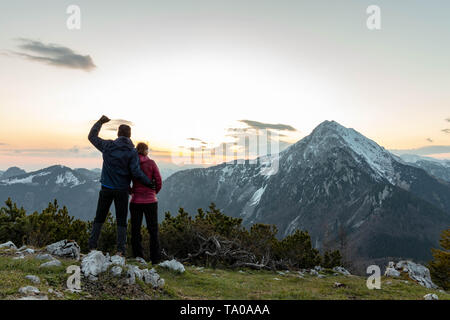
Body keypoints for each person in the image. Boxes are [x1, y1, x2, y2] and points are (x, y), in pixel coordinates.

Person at [87, 115, 155, 256]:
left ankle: (92, 246)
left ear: (118, 134)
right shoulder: (132, 152)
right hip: (122, 190)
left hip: (106, 187)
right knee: (121, 220)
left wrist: (100, 122)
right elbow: (136, 172)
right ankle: (120, 251)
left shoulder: (108, 146)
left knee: (99, 217)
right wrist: (149, 183)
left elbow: (92, 137)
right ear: (130, 136)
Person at [129, 142, 162, 264]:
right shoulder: (151, 163)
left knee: (135, 230)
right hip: (150, 202)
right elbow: (158, 181)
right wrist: (153, 193)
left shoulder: (132, 163)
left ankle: (138, 257)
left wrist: (132, 192)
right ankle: (155, 259)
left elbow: (126, 180)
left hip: (135, 201)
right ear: (146, 151)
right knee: (153, 231)